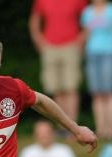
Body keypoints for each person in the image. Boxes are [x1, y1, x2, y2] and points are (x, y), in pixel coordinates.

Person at [28, 0, 87, 129]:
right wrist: (39, 41)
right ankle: (63, 127)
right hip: (50, 47)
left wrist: (81, 40)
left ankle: (74, 126)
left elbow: (88, 19)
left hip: (71, 45)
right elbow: (34, 21)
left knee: (71, 88)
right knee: (56, 89)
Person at [81, 0, 112, 139]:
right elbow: (86, 33)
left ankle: (111, 129)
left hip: (110, 54)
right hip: (92, 54)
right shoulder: (87, 12)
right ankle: (101, 129)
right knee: (97, 93)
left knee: (110, 91)